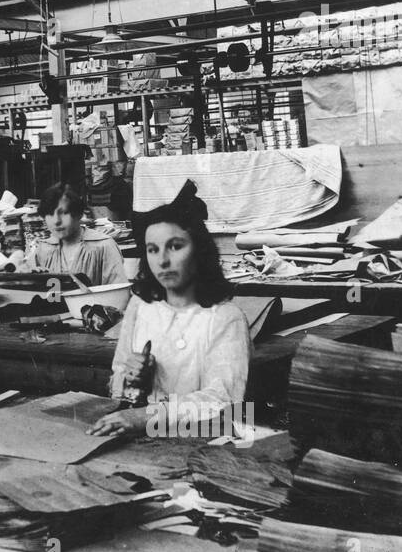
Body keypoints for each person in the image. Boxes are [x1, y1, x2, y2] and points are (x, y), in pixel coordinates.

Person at [88, 181, 251, 439]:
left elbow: (221, 400)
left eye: (175, 246)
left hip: (201, 442)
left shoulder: (226, 318)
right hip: (145, 439)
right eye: (153, 250)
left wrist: (143, 416)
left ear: (198, 249)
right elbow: (116, 381)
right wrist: (132, 379)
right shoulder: (141, 305)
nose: (162, 260)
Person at [32, 183, 128, 286]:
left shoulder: (103, 246)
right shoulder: (44, 248)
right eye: (50, 214)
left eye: (64, 213)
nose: (56, 221)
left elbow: (118, 294)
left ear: (78, 214)